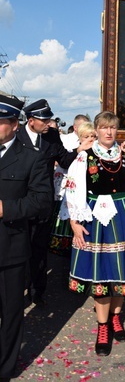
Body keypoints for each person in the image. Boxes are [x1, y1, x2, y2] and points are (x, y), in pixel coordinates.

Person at [59, 111, 125, 356]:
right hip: (97, 217)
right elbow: (73, 189)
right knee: (103, 272)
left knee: (123, 270)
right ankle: (102, 326)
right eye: (104, 127)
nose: (109, 132)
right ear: (96, 130)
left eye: (113, 128)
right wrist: (75, 222)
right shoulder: (83, 158)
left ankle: (116, 317)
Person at [16, 99, 90, 306]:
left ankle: (37, 291)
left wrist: (79, 149)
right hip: (20, 204)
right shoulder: (15, 137)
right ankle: (18, 289)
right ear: (31, 121)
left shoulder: (51, 136)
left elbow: (64, 161)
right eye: (44, 120)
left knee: (39, 249)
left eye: (49, 119)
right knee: (20, 248)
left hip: (42, 204)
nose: (48, 123)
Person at [0, 94, 52, 381]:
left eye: (0, 123)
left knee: (10, 314)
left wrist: (6, 208)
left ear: (14, 125)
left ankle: (5, 368)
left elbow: (42, 200)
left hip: (10, 247)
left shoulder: (31, 158)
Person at [50, 122, 96, 256]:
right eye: (87, 136)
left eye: (93, 136)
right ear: (81, 137)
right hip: (72, 189)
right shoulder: (74, 150)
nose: (91, 139)